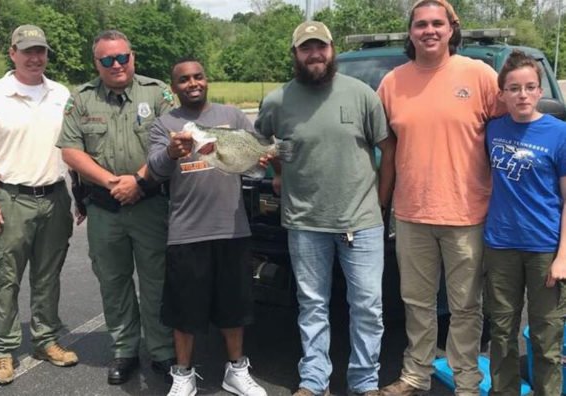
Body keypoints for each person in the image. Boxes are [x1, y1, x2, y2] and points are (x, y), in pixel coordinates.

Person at [255, 21, 396, 396]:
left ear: (331, 49)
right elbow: (267, 146)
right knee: (312, 305)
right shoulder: (276, 101)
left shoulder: (362, 94)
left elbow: (388, 147)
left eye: (321, 47)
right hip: (305, 222)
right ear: (295, 55)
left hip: (362, 222)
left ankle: (364, 381)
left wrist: (380, 202)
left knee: (367, 307)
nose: (315, 54)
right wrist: (280, 172)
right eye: (306, 48)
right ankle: (313, 380)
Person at [377, 1, 503, 395]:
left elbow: (508, 139)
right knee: (416, 303)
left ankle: (467, 382)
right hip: (412, 213)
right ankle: (416, 375)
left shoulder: (480, 75)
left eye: (437, 23)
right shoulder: (392, 83)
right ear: (410, 32)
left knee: (466, 307)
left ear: (451, 28)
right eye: (420, 24)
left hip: (468, 214)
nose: (428, 30)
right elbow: (386, 150)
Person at [56, 29, 175, 385]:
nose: (116, 64)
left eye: (122, 57)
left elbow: (173, 140)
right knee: (114, 280)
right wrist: (112, 183)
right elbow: (70, 150)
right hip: (105, 208)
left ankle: (162, 351)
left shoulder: (156, 93)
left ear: (132, 57)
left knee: (157, 280)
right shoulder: (81, 99)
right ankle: (124, 349)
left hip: (151, 202)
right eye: (107, 60)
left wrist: (138, 180)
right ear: (97, 63)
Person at [147, 58, 267, 396]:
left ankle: (236, 370)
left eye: (198, 76)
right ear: (173, 88)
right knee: (184, 310)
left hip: (232, 228)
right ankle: (183, 374)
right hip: (187, 231)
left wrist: (265, 158)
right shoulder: (165, 124)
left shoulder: (232, 117)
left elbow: (253, 156)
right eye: (183, 80)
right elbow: (155, 170)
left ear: (207, 79)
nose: (192, 83)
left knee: (234, 306)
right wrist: (170, 153)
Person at [0, 24, 78, 386]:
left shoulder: (61, 94)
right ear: (12, 53)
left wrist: (77, 195)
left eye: (41, 51)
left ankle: (45, 340)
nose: (35, 58)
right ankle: (2, 350)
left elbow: (73, 149)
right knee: (5, 278)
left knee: (48, 276)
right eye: (27, 51)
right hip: (10, 198)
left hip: (54, 195)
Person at [484, 50, 566, 396]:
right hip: (500, 245)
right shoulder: (491, 129)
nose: (522, 95)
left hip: (544, 248)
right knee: (502, 334)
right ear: (502, 92)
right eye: (514, 88)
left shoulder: (558, 132)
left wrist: (563, 256)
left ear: (539, 91)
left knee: (547, 337)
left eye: (530, 87)